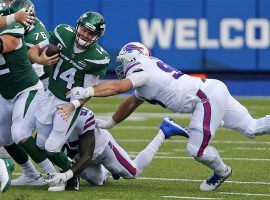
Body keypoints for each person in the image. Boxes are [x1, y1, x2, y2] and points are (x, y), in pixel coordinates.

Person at [66, 42, 270, 191]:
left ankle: (222, 171)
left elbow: (118, 87)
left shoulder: (142, 71)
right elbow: (131, 101)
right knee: (252, 128)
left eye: (123, 60)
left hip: (204, 98)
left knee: (196, 150)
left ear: (132, 57)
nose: (121, 66)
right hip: (213, 90)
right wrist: (110, 122)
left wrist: (88, 91)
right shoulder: (147, 72)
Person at [27, 11, 109, 191]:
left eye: (90, 33)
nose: (85, 35)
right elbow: (34, 50)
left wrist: (73, 105)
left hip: (68, 104)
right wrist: (40, 59)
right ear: (77, 25)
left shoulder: (97, 57)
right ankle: (69, 167)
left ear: (97, 36)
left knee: (51, 146)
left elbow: (89, 90)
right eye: (83, 29)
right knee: (40, 143)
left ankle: (68, 177)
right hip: (49, 96)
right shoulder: (62, 33)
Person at [46, 107, 189, 188]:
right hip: (79, 156)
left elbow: (87, 154)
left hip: (101, 147)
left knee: (132, 172)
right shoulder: (45, 119)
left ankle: (165, 130)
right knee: (98, 182)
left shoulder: (81, 116)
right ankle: (111, 169)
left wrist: (67, 174)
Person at [0, 9, 59, 192]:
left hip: (28, 89)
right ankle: (31, 175)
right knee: (3, 137)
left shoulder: (16, 27)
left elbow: (6, 45)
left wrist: (11, 19)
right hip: (6, 92)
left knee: (21, 133)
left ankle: (56, 174)